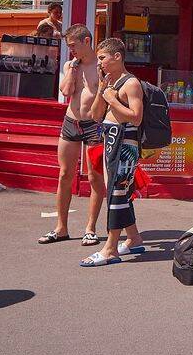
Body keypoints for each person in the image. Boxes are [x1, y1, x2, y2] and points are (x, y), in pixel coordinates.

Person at [38, 24, 107, 247]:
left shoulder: (101, 66)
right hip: (71, 122)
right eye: (69, 47)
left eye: (73, 46)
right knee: (65, 174)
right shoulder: (71, 64)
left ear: (87, 41)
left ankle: (90, 228)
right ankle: (61, 227)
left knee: (95, 177)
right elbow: (66, 92)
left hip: (94, 124)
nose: (71, 51)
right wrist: (72, 71)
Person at [80, 38, 146, 267]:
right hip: (111, 142)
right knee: (118, 193)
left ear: (117, 57)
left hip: (125, 146)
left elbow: (136, 117)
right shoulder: (111, 84)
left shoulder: (131, 84)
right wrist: (102, 90)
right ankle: (134, 238)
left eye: (102, 58)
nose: (99, 63)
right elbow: (95, 115)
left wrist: (113, 101)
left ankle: (110, 249)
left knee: (117, 194)